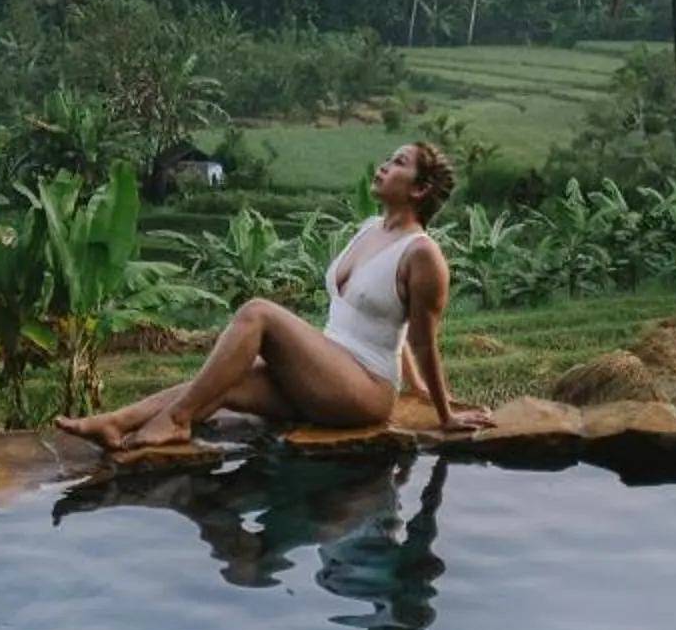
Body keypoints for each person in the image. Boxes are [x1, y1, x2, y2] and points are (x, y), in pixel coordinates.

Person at [56, 140, 492, 453]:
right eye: (386, 158)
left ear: (418, 189)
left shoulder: (423, 255)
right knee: (219, 384)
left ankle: (175, 421)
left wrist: (443, 412)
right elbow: (403, 338)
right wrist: (417, 387)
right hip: (324, 374)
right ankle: (116, 423)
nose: (382, 166)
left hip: (364, 389)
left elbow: (420, 340)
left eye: (396, 162)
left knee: (258, 313)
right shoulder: (368, 229)